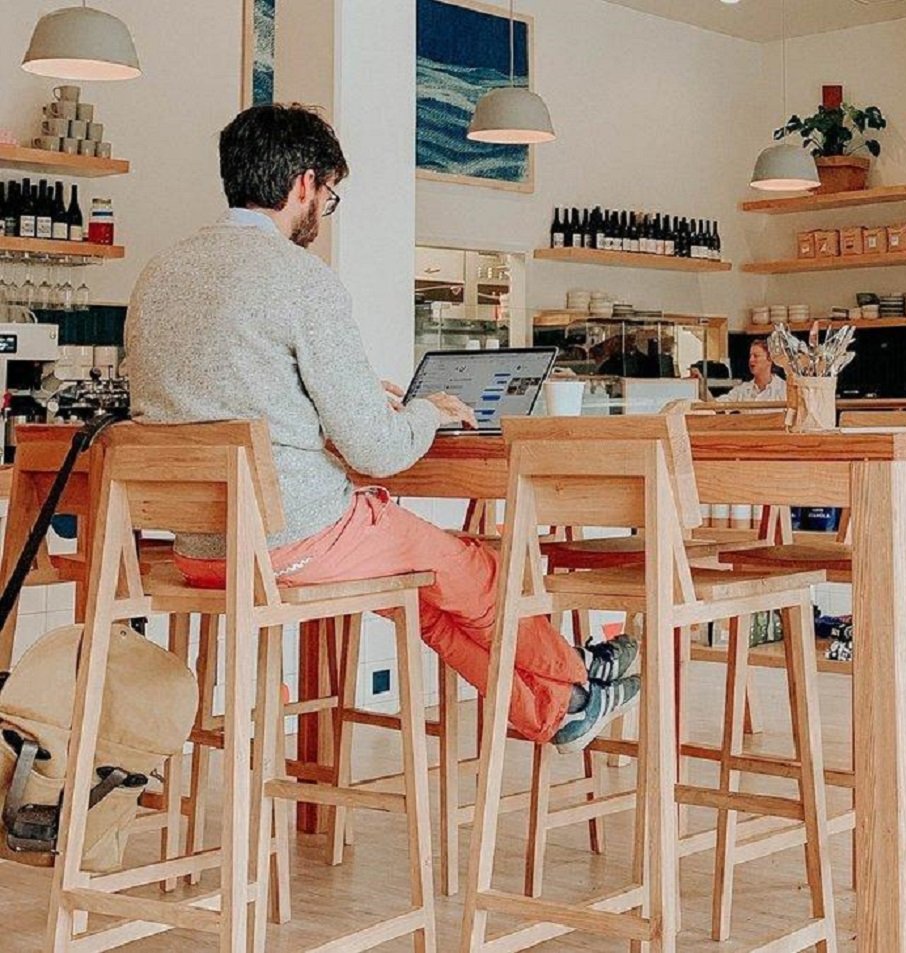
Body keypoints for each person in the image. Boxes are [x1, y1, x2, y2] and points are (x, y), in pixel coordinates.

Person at [124, 104, 637, 752]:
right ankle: (578, 674)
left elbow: (218, 395)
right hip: (293, 540)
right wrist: (426, 410)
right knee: (475, 568)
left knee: (425, 595)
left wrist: (347, 399)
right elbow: (377, 449)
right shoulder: (301, 278)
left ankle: (558, 709)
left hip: (201, 552)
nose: (323, 213)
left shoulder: (157, 276)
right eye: (329, 197)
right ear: (304, 183)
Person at [719, 338, 787, 403]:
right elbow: (717, 405)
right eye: (750, 356)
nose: (751, 360)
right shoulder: (743, 390)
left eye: (756, 356)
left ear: (770, 359)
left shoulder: (784, 389)